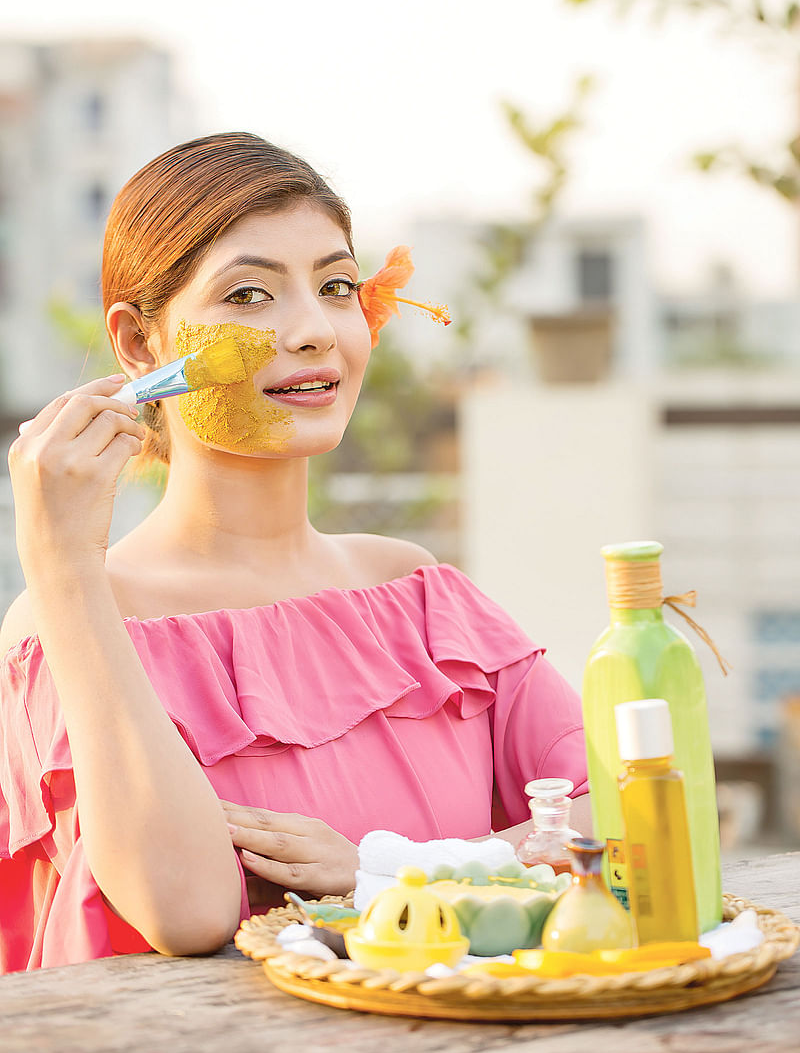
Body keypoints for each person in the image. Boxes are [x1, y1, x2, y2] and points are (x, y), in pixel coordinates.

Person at [0, 132, 589, 973]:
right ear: (139, 347)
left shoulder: (419, 594)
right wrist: (60, 563)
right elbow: (189, 909)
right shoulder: (75, 616)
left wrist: (388, 873)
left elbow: (622, 815)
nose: (314, 330)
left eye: (337, 286)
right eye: (248, 295)